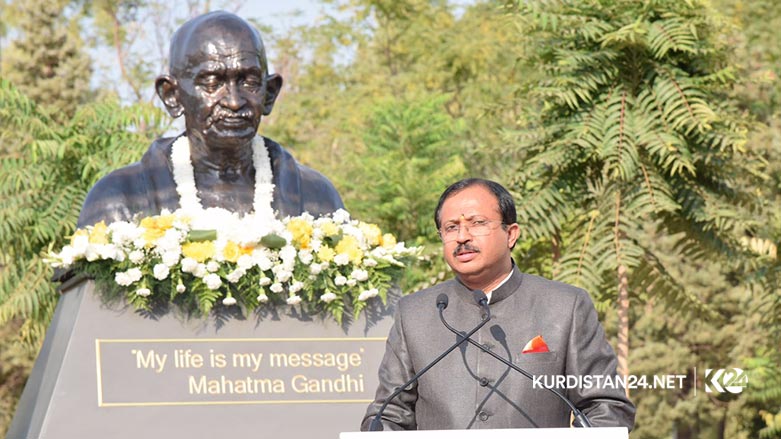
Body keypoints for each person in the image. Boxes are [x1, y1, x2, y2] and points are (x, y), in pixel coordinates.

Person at [362, 178, 635, 430]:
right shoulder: (415, 313)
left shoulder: (565, 307)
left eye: (477, 223)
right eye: (451, 228)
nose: (462, 237)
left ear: (511, 234)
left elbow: (607, 408)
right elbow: (388, 415)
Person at [77, 11, 343, 227]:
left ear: (270, 93)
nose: (234, 101)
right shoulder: (120, 199)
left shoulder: (315, 199)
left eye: (249, 82)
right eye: (212, 83)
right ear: (172, 95)